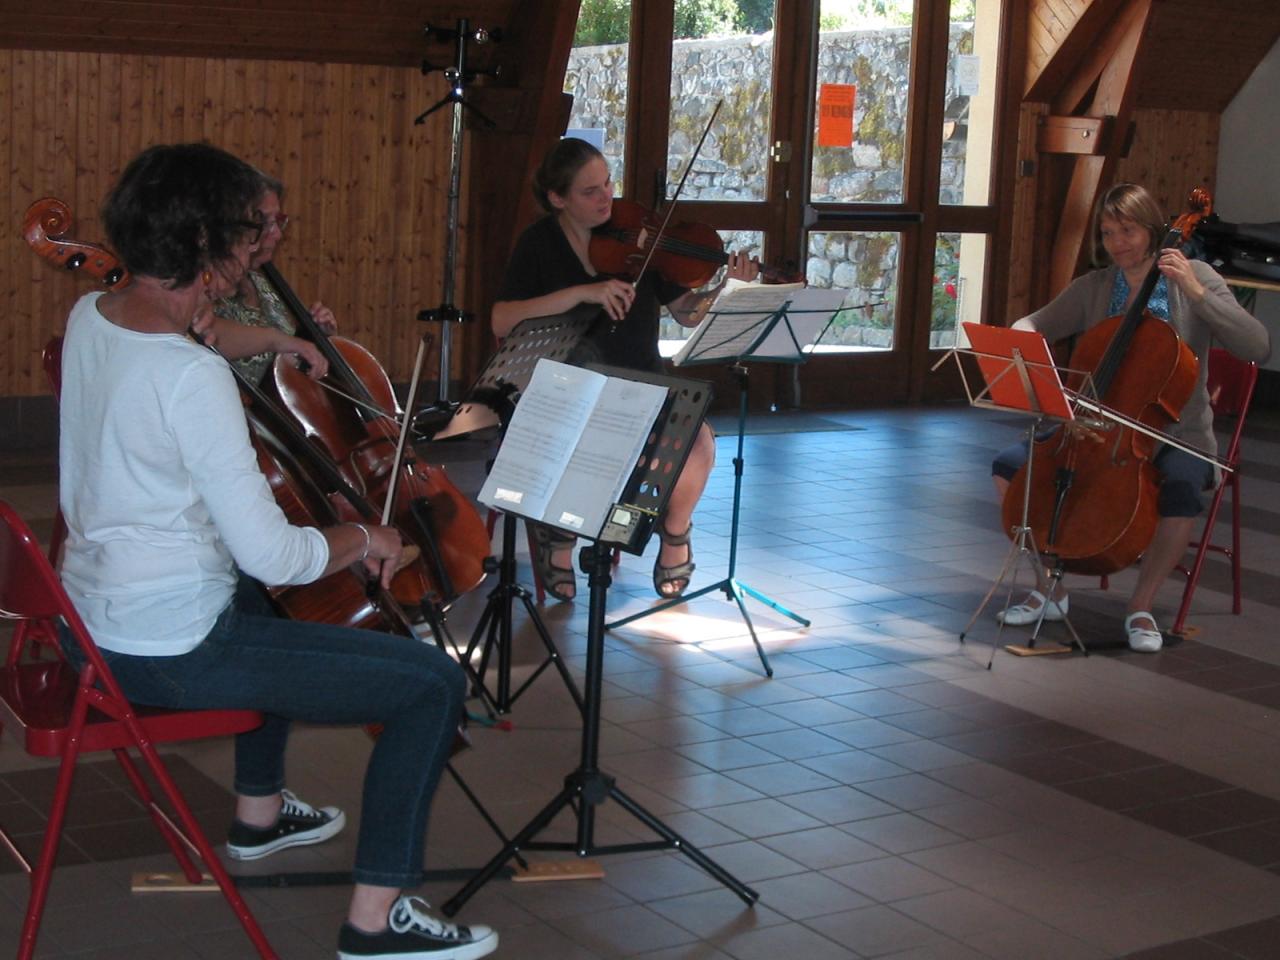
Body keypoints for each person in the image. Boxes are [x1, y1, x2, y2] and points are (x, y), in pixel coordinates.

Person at [56, 142, 497, 960]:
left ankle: (260, 815)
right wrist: (368, 535)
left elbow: (202, 342)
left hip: (85, 621)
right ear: (209, 251)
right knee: (431, 683)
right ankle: (377, 921)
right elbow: (278, 557)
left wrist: (272, 350)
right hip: (170, 649)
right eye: (240, 235)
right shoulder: (191, 381)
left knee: (279, 607)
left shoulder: (93, 317)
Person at [991, 182, 1269, 653]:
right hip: (1096, 429)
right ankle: (1050, 588)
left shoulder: (1192, 275)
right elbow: (1032, 323)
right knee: (1009, 466)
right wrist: (1024, 339)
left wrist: (1196, 291)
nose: (1118, 243)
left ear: (1153, 229)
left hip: (1178, 431)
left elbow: (1256, 346)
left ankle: (1141, 605)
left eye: (1128, 230)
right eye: (1108, 233)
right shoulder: (1096, 287)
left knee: (1181, 487)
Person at [491, 137, 758, 602]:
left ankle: (675, 535)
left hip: (643, 382)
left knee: (697, 441)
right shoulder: (539, 243)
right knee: (582, 436)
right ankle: (563, 534)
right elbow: (501, 318)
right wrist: (582, 293)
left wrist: (726, 289)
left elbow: (687, 311)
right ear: (559, 199)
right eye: (590, 191)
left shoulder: (643, 242)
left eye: (608, 184)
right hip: (567, 385)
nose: (606, 199)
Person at [209, 172, 337, 385]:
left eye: (278, 221)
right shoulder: (206, 286)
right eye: (266, 223)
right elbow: (199, 334)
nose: (277, 234)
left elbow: (280, 364)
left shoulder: (262, 284)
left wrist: (313, 336)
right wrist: (277, 340)